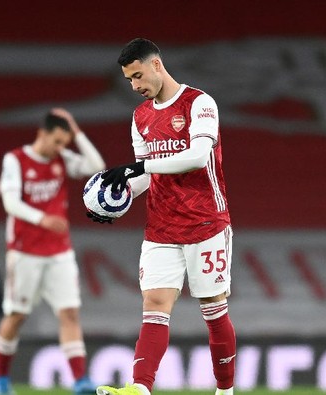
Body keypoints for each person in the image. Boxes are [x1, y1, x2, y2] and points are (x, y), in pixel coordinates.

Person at [91, 38, 236, 395]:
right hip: (161, 228)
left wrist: (139, 166)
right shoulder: (140, 117)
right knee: (154, 306)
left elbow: (198, 156)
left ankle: (225, 390)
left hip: (205, 223)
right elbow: (145, 176)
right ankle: (140, 388)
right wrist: (117, 196)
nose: (135, 86)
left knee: (213, 310)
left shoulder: (199, 103)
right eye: (128, 80)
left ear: (157, 65)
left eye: (138, 75)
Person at [0, 108, 105, 395]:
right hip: (25, 251)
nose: (60, 148)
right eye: (57, 141)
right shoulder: (15, 159)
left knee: (69, 314)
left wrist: (76, 131)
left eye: (64, 143)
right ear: (41, 133)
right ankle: (2, 378)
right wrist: (42, 219)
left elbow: (96, 166)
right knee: (17, 315)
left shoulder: (61, 158)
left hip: (59, 252)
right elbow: (10, 203)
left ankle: (80, 381)